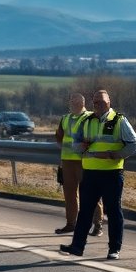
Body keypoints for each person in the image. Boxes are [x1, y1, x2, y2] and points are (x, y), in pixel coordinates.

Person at [58, 89, 136, 260]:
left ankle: (114, 249)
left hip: (111, 173)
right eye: (95, 102)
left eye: (101, 102)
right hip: (90, 173)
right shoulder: (87, 121)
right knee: (85, 212)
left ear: (109, 102)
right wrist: (81, 146)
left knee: (113, 211)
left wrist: (113, 154)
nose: (98, 105)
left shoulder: (119, 120)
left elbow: (135, 144)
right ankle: (77, 247)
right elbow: (75, 144)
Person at [54, 92, 102, 235]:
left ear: (82, 104)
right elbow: (59, 137)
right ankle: (71, 224)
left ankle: (98, 225)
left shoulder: (90, 117)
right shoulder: (65, 118)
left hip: (85, 161)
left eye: (75, 102)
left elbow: (95, 138)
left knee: (90, 193)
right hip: (68, 161)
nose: (72, 104)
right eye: (71, 102)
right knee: (69, 194)